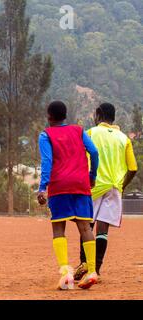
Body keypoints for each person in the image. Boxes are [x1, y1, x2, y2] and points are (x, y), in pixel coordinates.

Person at [37, 101, 99, 290]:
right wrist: (92, 175)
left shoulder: (45, 134)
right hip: (81, 184)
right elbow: (94, 152)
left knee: (58, 228)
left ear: (49, 116)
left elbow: (47, 162)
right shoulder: (79, 131)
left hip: (59, 186)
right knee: (85, 228)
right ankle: (92, 271)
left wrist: (42, 187)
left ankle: (66, 274)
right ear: (65, 115)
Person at [74, 103, 138, 280]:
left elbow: (79, 157)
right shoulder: (124, 138)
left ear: (99, 115)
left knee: (86, 226)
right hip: (114, 187)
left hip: (93, 186)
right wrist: (122, 185)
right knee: (103, 230)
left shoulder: (91, 133)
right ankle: (97, 270)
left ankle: (84, 263)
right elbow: (133, 168)